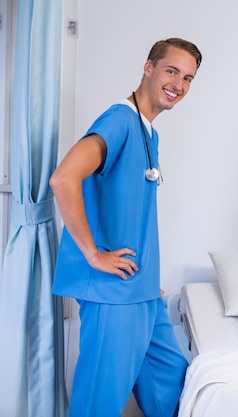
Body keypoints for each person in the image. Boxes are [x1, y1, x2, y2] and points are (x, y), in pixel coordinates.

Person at [50, 38, 202, 416]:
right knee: (97, 404)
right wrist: (93, 254)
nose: (179, 85)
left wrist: (148, 280)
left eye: (188, 78)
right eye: (172, 71)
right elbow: (63, 179)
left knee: (174, 387)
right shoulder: (119, 120)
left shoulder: (148, 131)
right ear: (148, 68)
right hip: (113, 293)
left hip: (142, 292)